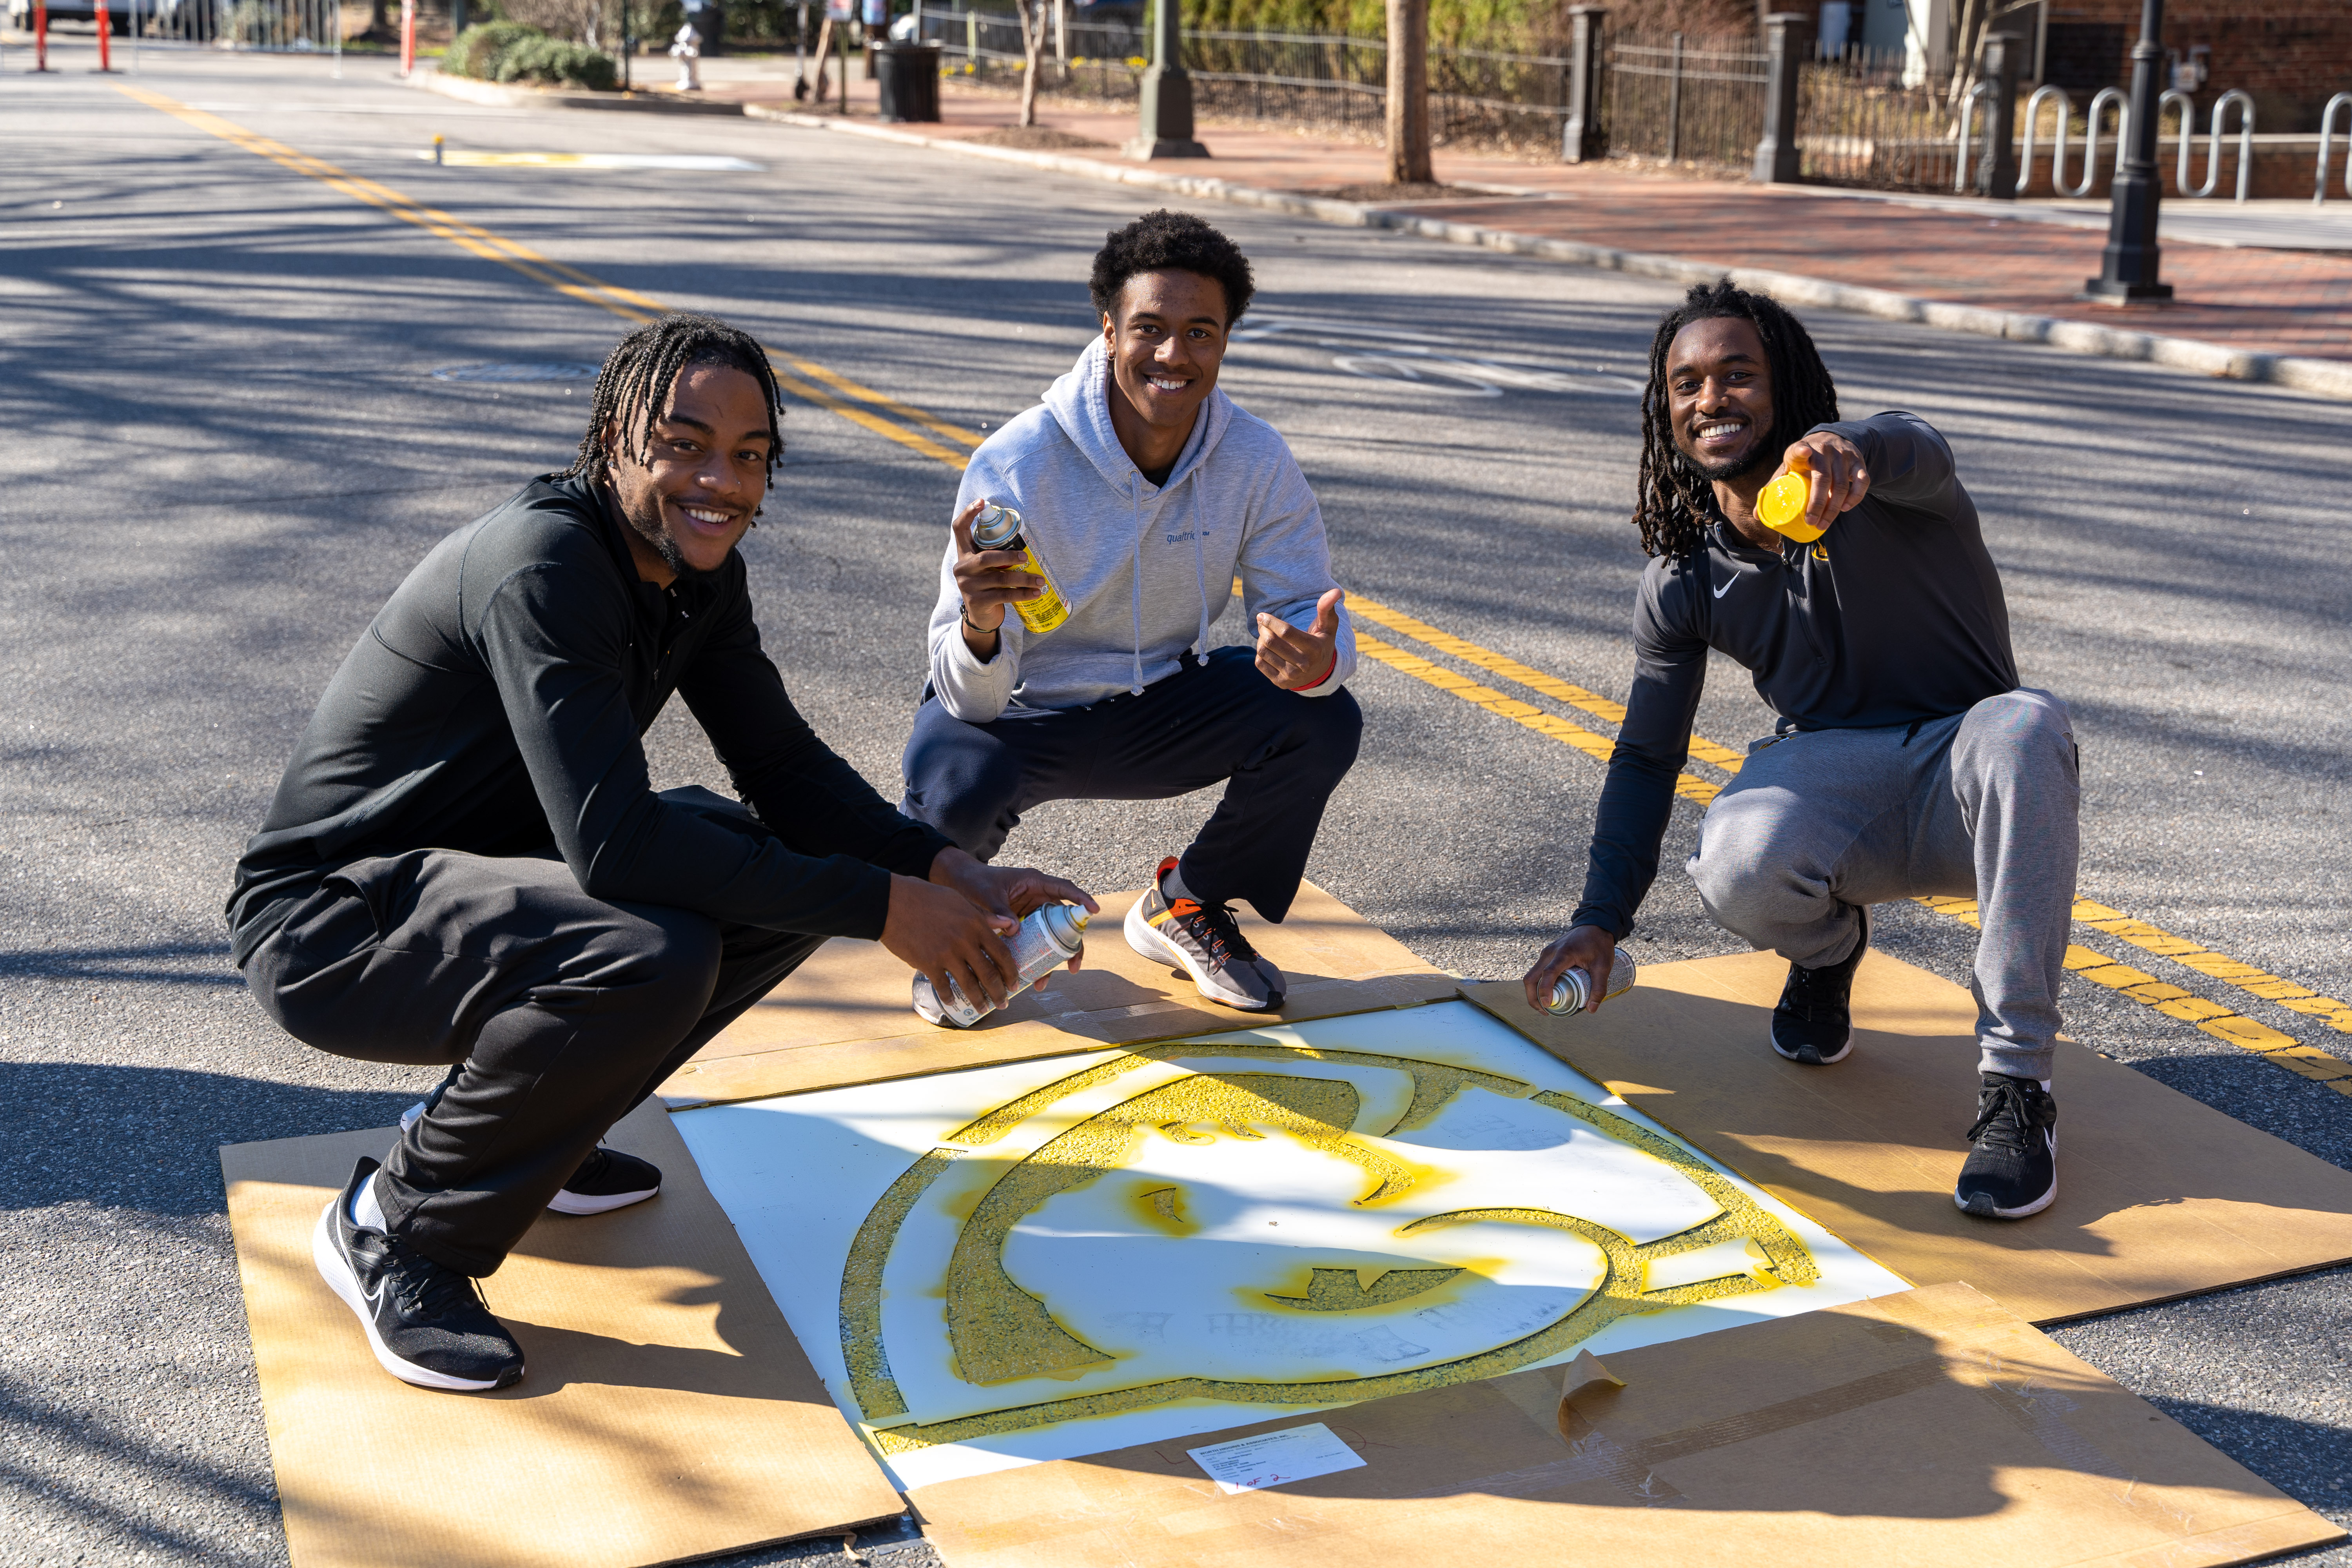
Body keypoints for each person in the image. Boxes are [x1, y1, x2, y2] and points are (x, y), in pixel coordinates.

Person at [227, 313, 1093, 1394]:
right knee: (654, 947)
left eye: (748, 456)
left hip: (469, 890)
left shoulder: (695, 574)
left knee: (752, 855)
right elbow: (612, 842)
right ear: (610, 439)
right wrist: (882, 909)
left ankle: (536, 1123)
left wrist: (941, 870)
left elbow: (783, 768)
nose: (719, 481)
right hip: (332, 921)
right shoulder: (543, 563)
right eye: (682, 444)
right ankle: (399, 1227)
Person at [1522, 280, 2079, 1222]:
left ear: (1785, 391)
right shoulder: (1684, 574)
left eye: (1738, 375)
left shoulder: (1888, 484)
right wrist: (1601, 918)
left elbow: (1918, 444)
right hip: (1837, 782)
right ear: (1666, 413)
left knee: (2025, 722)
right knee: (1736, 857)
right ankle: (1827, 953)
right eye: (1687, 383)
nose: (1712, 398)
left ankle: (2017, 1090)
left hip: (1965, 770)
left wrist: (1850, 447)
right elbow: (1648, 756)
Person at [900, 210, 1361, 1013]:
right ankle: (960, 940)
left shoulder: (1254, 458)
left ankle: (1187, 902)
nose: (1173, 355)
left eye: (1200, 333)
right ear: (1109, 328)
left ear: (1225, 341)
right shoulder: (1019, 461)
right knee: (949, 782)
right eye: (1149, 327)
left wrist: (1319, 659)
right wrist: (978, 624)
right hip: (1020, 717)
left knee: (1324, 716)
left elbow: (1308, 611)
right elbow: (969, 695)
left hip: (1159, 709)